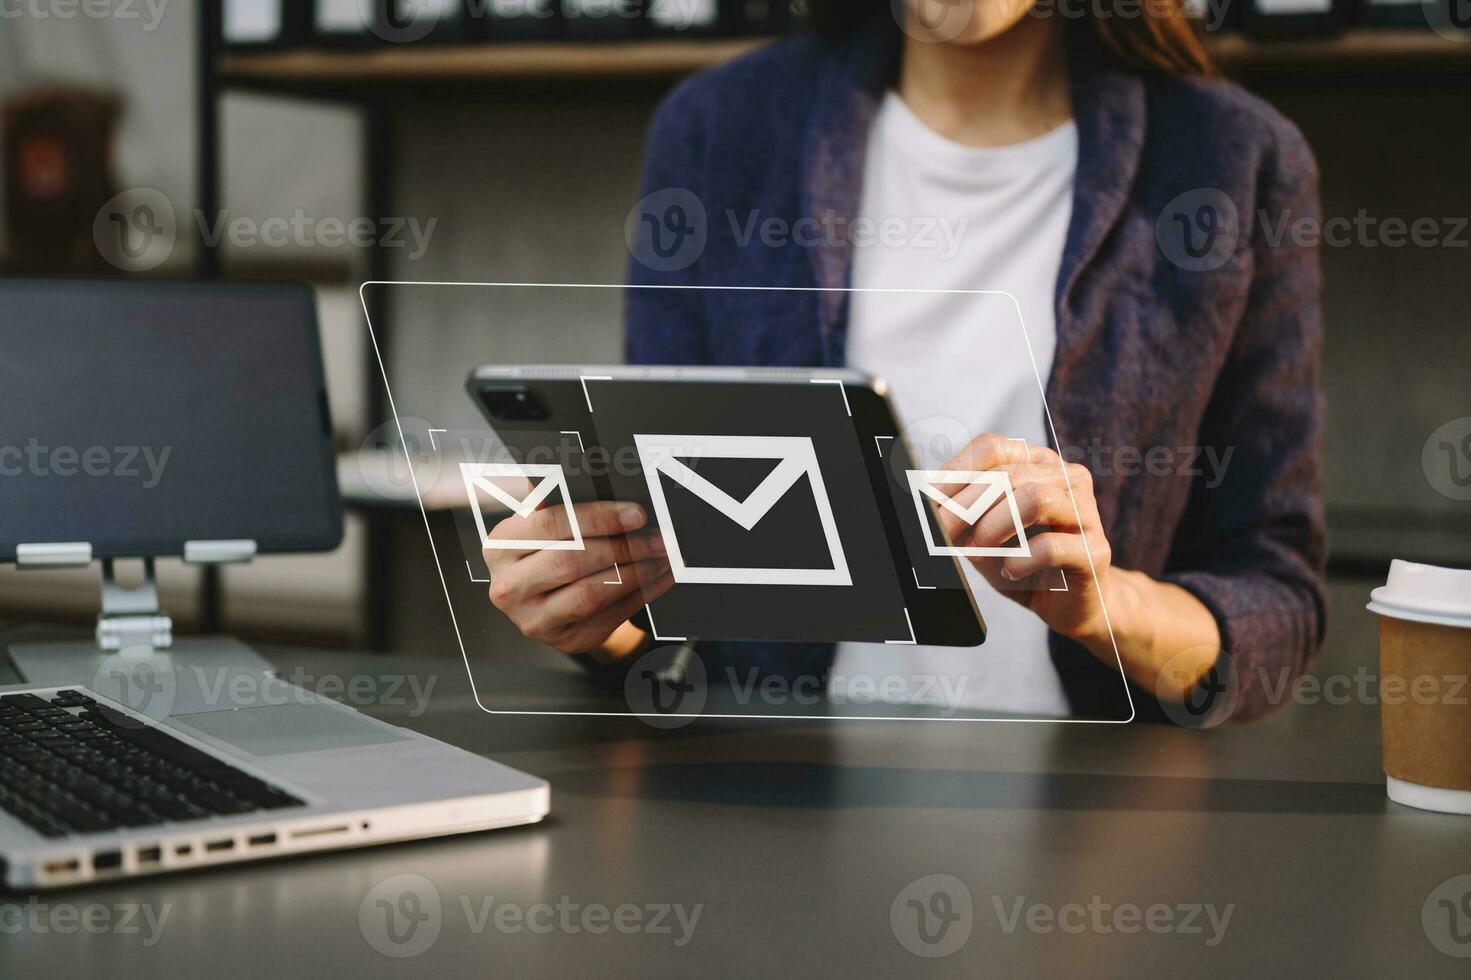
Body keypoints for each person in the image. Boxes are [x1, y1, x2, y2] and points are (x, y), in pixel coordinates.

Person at [482, 0, 1327, 723]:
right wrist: (600, 608)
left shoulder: (1233, 159)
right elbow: (672, 583)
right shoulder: (720, 129)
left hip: (1089, 832)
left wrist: (1111, 606)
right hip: (763, 802)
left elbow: (1276, 607)